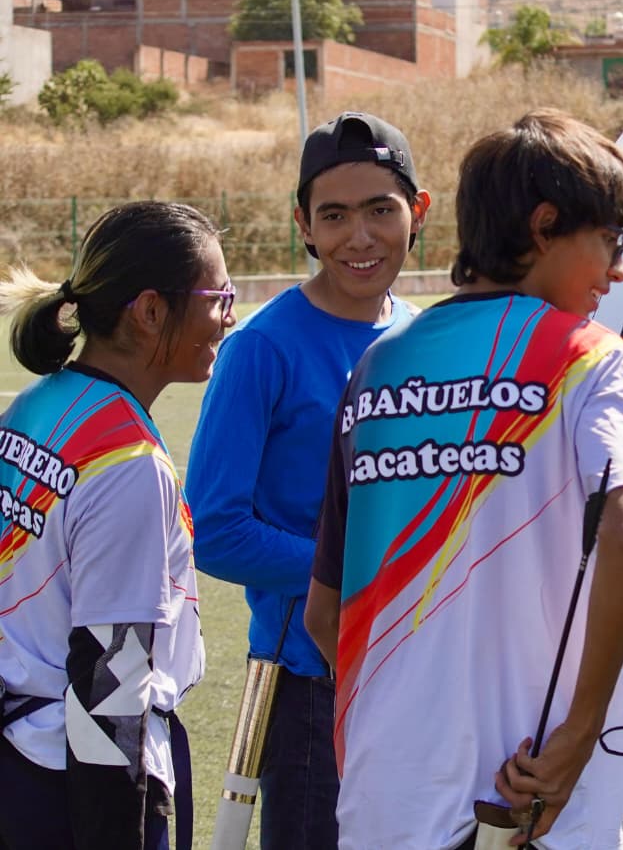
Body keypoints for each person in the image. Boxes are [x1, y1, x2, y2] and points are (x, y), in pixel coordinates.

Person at [304, 109, 623, 850]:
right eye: (610, 240)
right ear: (543, 226)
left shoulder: (379, 365)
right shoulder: (590, 356)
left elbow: (324, 614)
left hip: (384, 796)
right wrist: (579, 731)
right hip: (533, 796)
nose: (617, 270)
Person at [186, 112, 429, 849]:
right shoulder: (261, 348)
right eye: (335, 215)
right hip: (311, 687)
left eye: (381, 210)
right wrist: (356, 574)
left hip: (420, 673)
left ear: (417, 211)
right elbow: (214, 529)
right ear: (305, 224)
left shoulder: (423, 335)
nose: (360, 238)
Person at [0, 200, 231, 849]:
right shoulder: (128, 462)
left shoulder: (39, 400)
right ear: (151, 310)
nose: (228, 315)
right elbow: (111, 679)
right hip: (71, 783)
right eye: (219, 295)